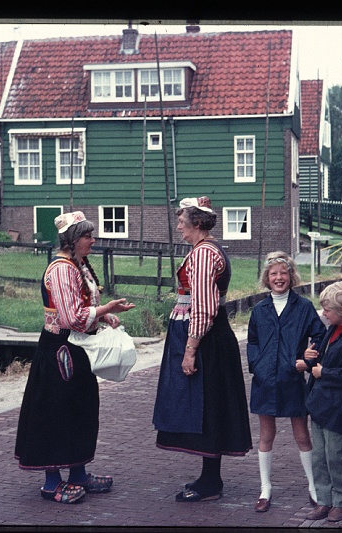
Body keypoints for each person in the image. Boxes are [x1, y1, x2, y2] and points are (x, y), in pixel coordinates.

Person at [14, 211, 135, 504]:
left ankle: (79, 473)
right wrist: (106, 310)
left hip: (77, 347)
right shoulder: (62, 270)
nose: (93, 240)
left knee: (80, 408)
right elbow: (70, 317)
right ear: (72, 239)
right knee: (57, 411)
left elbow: (82, 309)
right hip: (60, 350)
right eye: (87, 235)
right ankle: (52, 482)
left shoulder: (77, 265)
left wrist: (104, 318)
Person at [152, 196, 252, 503]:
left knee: (207, 403)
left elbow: (205, 308)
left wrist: (191, 349)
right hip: (203, 335)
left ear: (197, 222)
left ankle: (211, 482)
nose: (178, 225)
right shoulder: (200, 251)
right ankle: (210, 476)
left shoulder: (205, 254)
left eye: (182, 220)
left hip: (205, 338)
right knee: (204, 403)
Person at [246, 251, 325, 512]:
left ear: (291, 276)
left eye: (283, 272)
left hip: (292, 380)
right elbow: (253, 341)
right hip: (265, 381)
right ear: (266, 279)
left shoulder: (303, 307)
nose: (279, 277)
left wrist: (308, 360)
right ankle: (265, 489)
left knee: (301, 435)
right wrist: (257, 366)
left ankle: (313, 487)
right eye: (273, 273)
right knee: (266, 435)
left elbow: (320, 337)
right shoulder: (259, 309)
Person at [303, 281, 342, 523]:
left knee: (335, 455)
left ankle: (341, 500)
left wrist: (323, 373)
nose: (323, 314)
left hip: (337, 407)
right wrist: (310, 358)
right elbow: (320, 361)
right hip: (320, 404)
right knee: (319, 455)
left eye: (327, 309)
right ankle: (323, 499)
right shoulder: (331, 331)